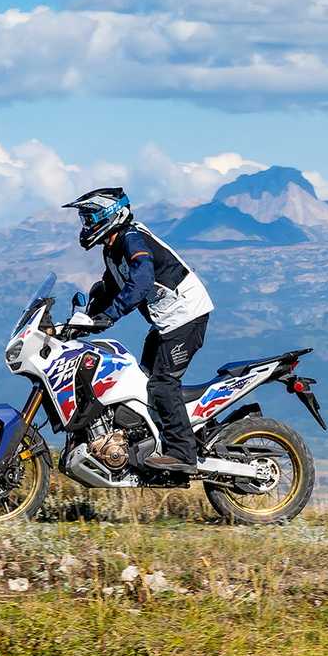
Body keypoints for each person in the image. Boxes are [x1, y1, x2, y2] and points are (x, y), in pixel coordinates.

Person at [64, 187, 213, 472]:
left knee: (162, 383)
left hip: (186, 317)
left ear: (110, 214)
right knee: (140, 382)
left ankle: (183, 454)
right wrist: (82, 322)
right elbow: (109, 288)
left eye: (90, 217)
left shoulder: (133, 239)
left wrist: (108, 317)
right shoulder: (113, 247)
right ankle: (149, 444)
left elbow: (141, 281)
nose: (87, 225)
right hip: (167, 322)